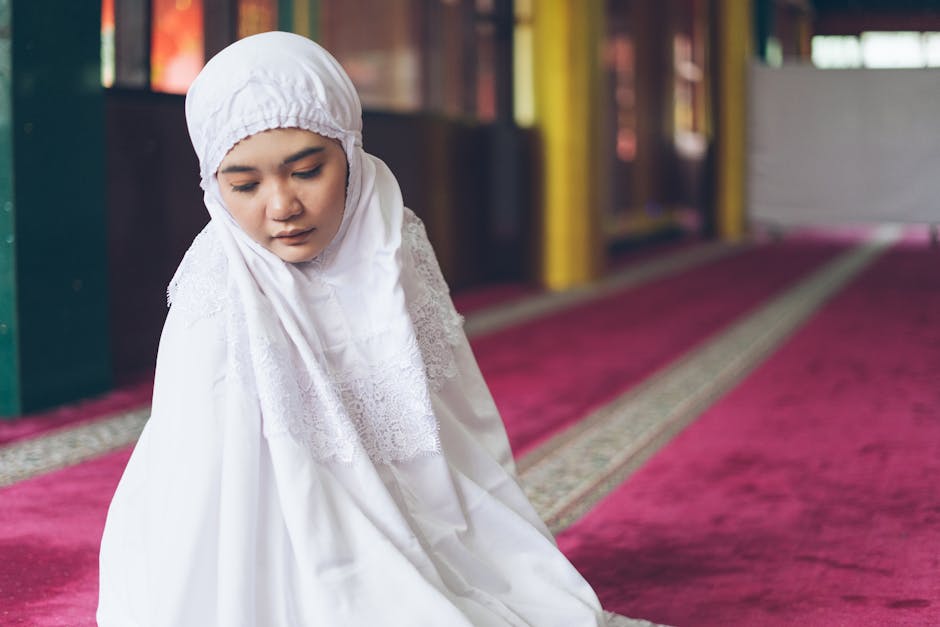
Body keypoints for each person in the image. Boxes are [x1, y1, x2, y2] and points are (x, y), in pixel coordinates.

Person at [97, 31, 612, 626]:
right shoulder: (218, 283)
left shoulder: (389, 231)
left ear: (350, 152)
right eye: (245, 185)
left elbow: (448, 418)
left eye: (307, 170)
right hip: (263, 519)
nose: (282, 205)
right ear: (214, 186)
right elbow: (204, 477)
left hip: (411, 500)